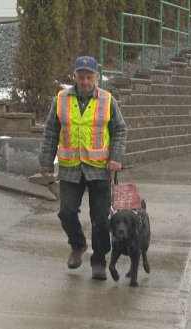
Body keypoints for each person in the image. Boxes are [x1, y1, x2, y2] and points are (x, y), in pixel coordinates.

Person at [39, 55, 128, 280]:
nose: (85, 81)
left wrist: (115, 157)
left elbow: (120, 130)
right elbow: (50, 131)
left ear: (97, 77)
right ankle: (77, 245)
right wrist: (46, 163)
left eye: (89, 77)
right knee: (66, 212)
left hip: (99, 169)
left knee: (100, 219)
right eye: (81, 77)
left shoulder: (108, 100)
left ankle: (99, 260)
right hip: (71, 168)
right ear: (74, 76)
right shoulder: (61, 99)